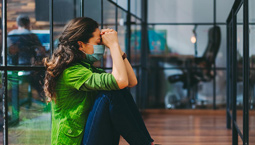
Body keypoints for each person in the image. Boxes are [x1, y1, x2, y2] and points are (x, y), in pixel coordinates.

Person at [44, 17, 154, 145]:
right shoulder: (71, 72)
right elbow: (120, 81)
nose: (102, 47)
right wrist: (113, 45)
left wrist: (117, 49)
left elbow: (131, 81)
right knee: (111, 94)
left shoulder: (85, 68)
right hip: (75, 142)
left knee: (116, 90)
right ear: (81, 45)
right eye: (98, 43)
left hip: (86, 136)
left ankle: (147, 143)